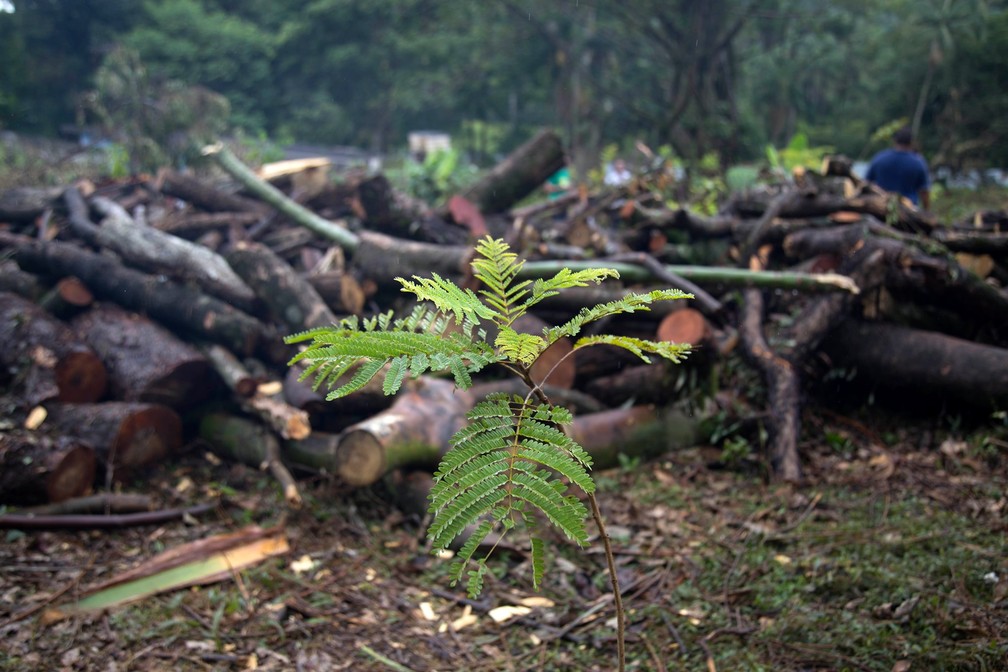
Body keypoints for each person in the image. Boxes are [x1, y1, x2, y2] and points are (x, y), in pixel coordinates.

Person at [865, 127, 931, 209]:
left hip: (881, 206)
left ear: (894, 141)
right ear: (911, 142)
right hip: (909, 209)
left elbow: (866, 183)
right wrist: (927, 211)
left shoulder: (879, 158)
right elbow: (924, 192)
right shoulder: (918, 162)